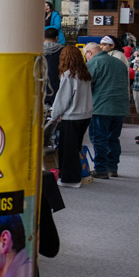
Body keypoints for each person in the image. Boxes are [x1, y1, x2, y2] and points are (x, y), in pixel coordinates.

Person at [49, 44, 93, 188]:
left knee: (67, 150)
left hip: (71, 117)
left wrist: (54, 115)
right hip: (85, 115)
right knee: (75, 148)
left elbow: (63, 99)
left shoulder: (68, 75)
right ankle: (75, 175)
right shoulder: (84, 74)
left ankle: (69, 179)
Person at [87, 37, 130, 179]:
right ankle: (113, 167)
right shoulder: (119, 63)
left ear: (89, 53)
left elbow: (87, 85)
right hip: (120, 106)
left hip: (101, 106)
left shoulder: (94, 62)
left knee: (99, 139)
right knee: (114, 138)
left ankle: (101, 169)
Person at [42, 27, 64, 101]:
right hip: (56, 83)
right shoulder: (62, 51)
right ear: (56, 37)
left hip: (41, 83)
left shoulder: (39, 50)